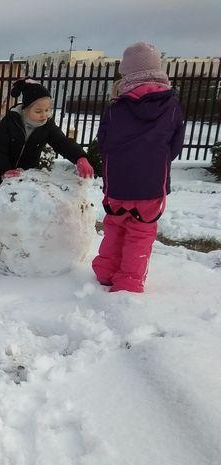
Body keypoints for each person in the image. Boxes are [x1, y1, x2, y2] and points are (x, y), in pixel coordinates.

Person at [92, 42, 185, 293]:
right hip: (151, 185)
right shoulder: (171, 106)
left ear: (126, 72)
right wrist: (155, 161)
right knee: (141, 233)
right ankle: (129, 281)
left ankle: (105, 271)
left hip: (118, 182)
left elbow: (103, 142)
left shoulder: (116, 107)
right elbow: (175, 144)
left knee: (114, 226)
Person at [0, 78, 94, 186]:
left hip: (25, 180)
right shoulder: (11, 121)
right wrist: (5, 171)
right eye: (38, 111)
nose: (44, 115)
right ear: (25, 109)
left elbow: (62, 142)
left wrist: (80, 157)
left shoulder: (47, 125)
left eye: (47, 110)